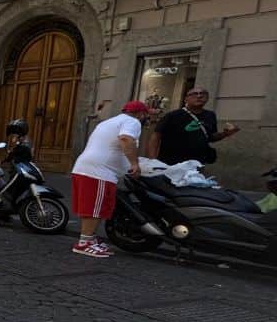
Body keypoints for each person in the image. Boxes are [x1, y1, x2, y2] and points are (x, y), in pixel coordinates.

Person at [70, 101, 151, 258]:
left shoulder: (110, 121)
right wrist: (135, 163)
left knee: (94, 207)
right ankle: (84, 243)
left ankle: (90, 239)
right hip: (99, 171)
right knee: (94, 209)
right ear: (141, 114)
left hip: (90, 168)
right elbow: (126, 140)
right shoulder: (132, 121)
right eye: (146, 115)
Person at [147, 87, 239, 166]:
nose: (199, 96)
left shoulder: (210, 115)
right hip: (172, 163)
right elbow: (156, 136)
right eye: (194, 94)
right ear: (186, 99)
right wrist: (153, 161)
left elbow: (211, 137)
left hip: (197, 163)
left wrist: (225, 133)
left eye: (203, 93)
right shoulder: (173, 115)